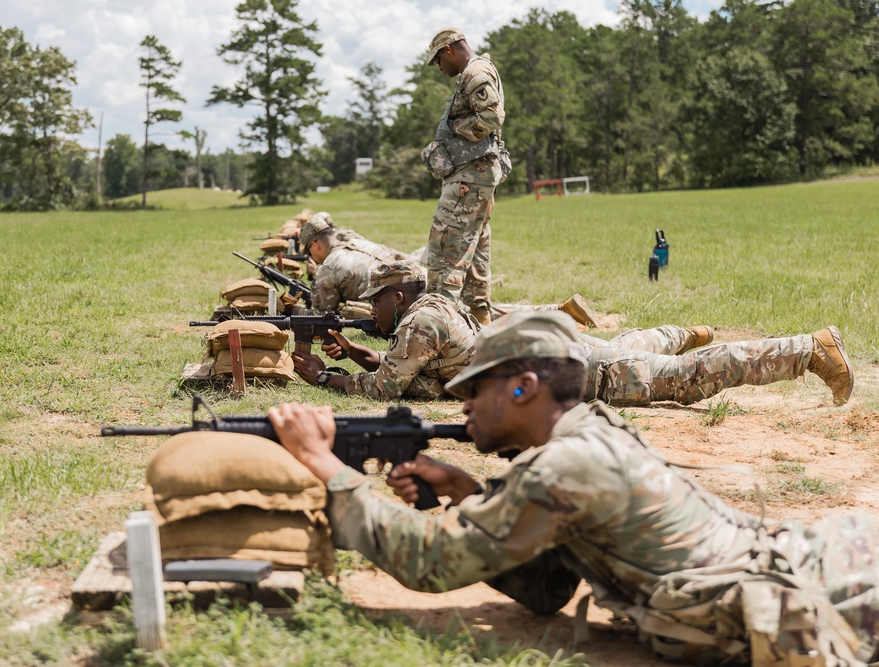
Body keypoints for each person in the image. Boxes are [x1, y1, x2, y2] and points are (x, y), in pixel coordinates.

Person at [268, 311, 875, 667]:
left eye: (471, 390)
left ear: (522, 388)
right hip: (814, 570)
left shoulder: (568, 466)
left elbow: (428, 563)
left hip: (835, 591)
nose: (462, 404)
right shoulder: (582, 442)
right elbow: (546, 587)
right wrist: (469, 493)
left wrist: (326, 464)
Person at [291, 261, 480, 400]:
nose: (372, 310)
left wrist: (322, 378)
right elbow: (397, 365)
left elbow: (383, 389)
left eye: (376, 301)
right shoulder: (433, 306)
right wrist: (351, 350)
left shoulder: (420, 321)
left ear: (397, 298)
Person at [421, 27, 509, 326]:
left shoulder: (475, 73)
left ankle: (437, 326)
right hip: (475, 179)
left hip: (470, 179)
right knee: (476, 250)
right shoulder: (475, 72)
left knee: (445, 249)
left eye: (438, 61)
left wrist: (453, 138)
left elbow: (492, 117)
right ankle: (479, 320)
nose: (439, 68)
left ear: (449, 50)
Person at [584, 324, 854, 406]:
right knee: (622, 350)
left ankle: (810, 350)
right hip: (574, 348)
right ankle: (687, 333)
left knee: (687, 375)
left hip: (578, 366)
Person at [282, 215, 394, 313]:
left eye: (309, 252)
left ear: (315, 245)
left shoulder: (329, 268)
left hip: (388, 313)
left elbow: (322, 317)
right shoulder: (362, 243)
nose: (312, 256)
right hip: (404, 300)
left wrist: (291, 309)